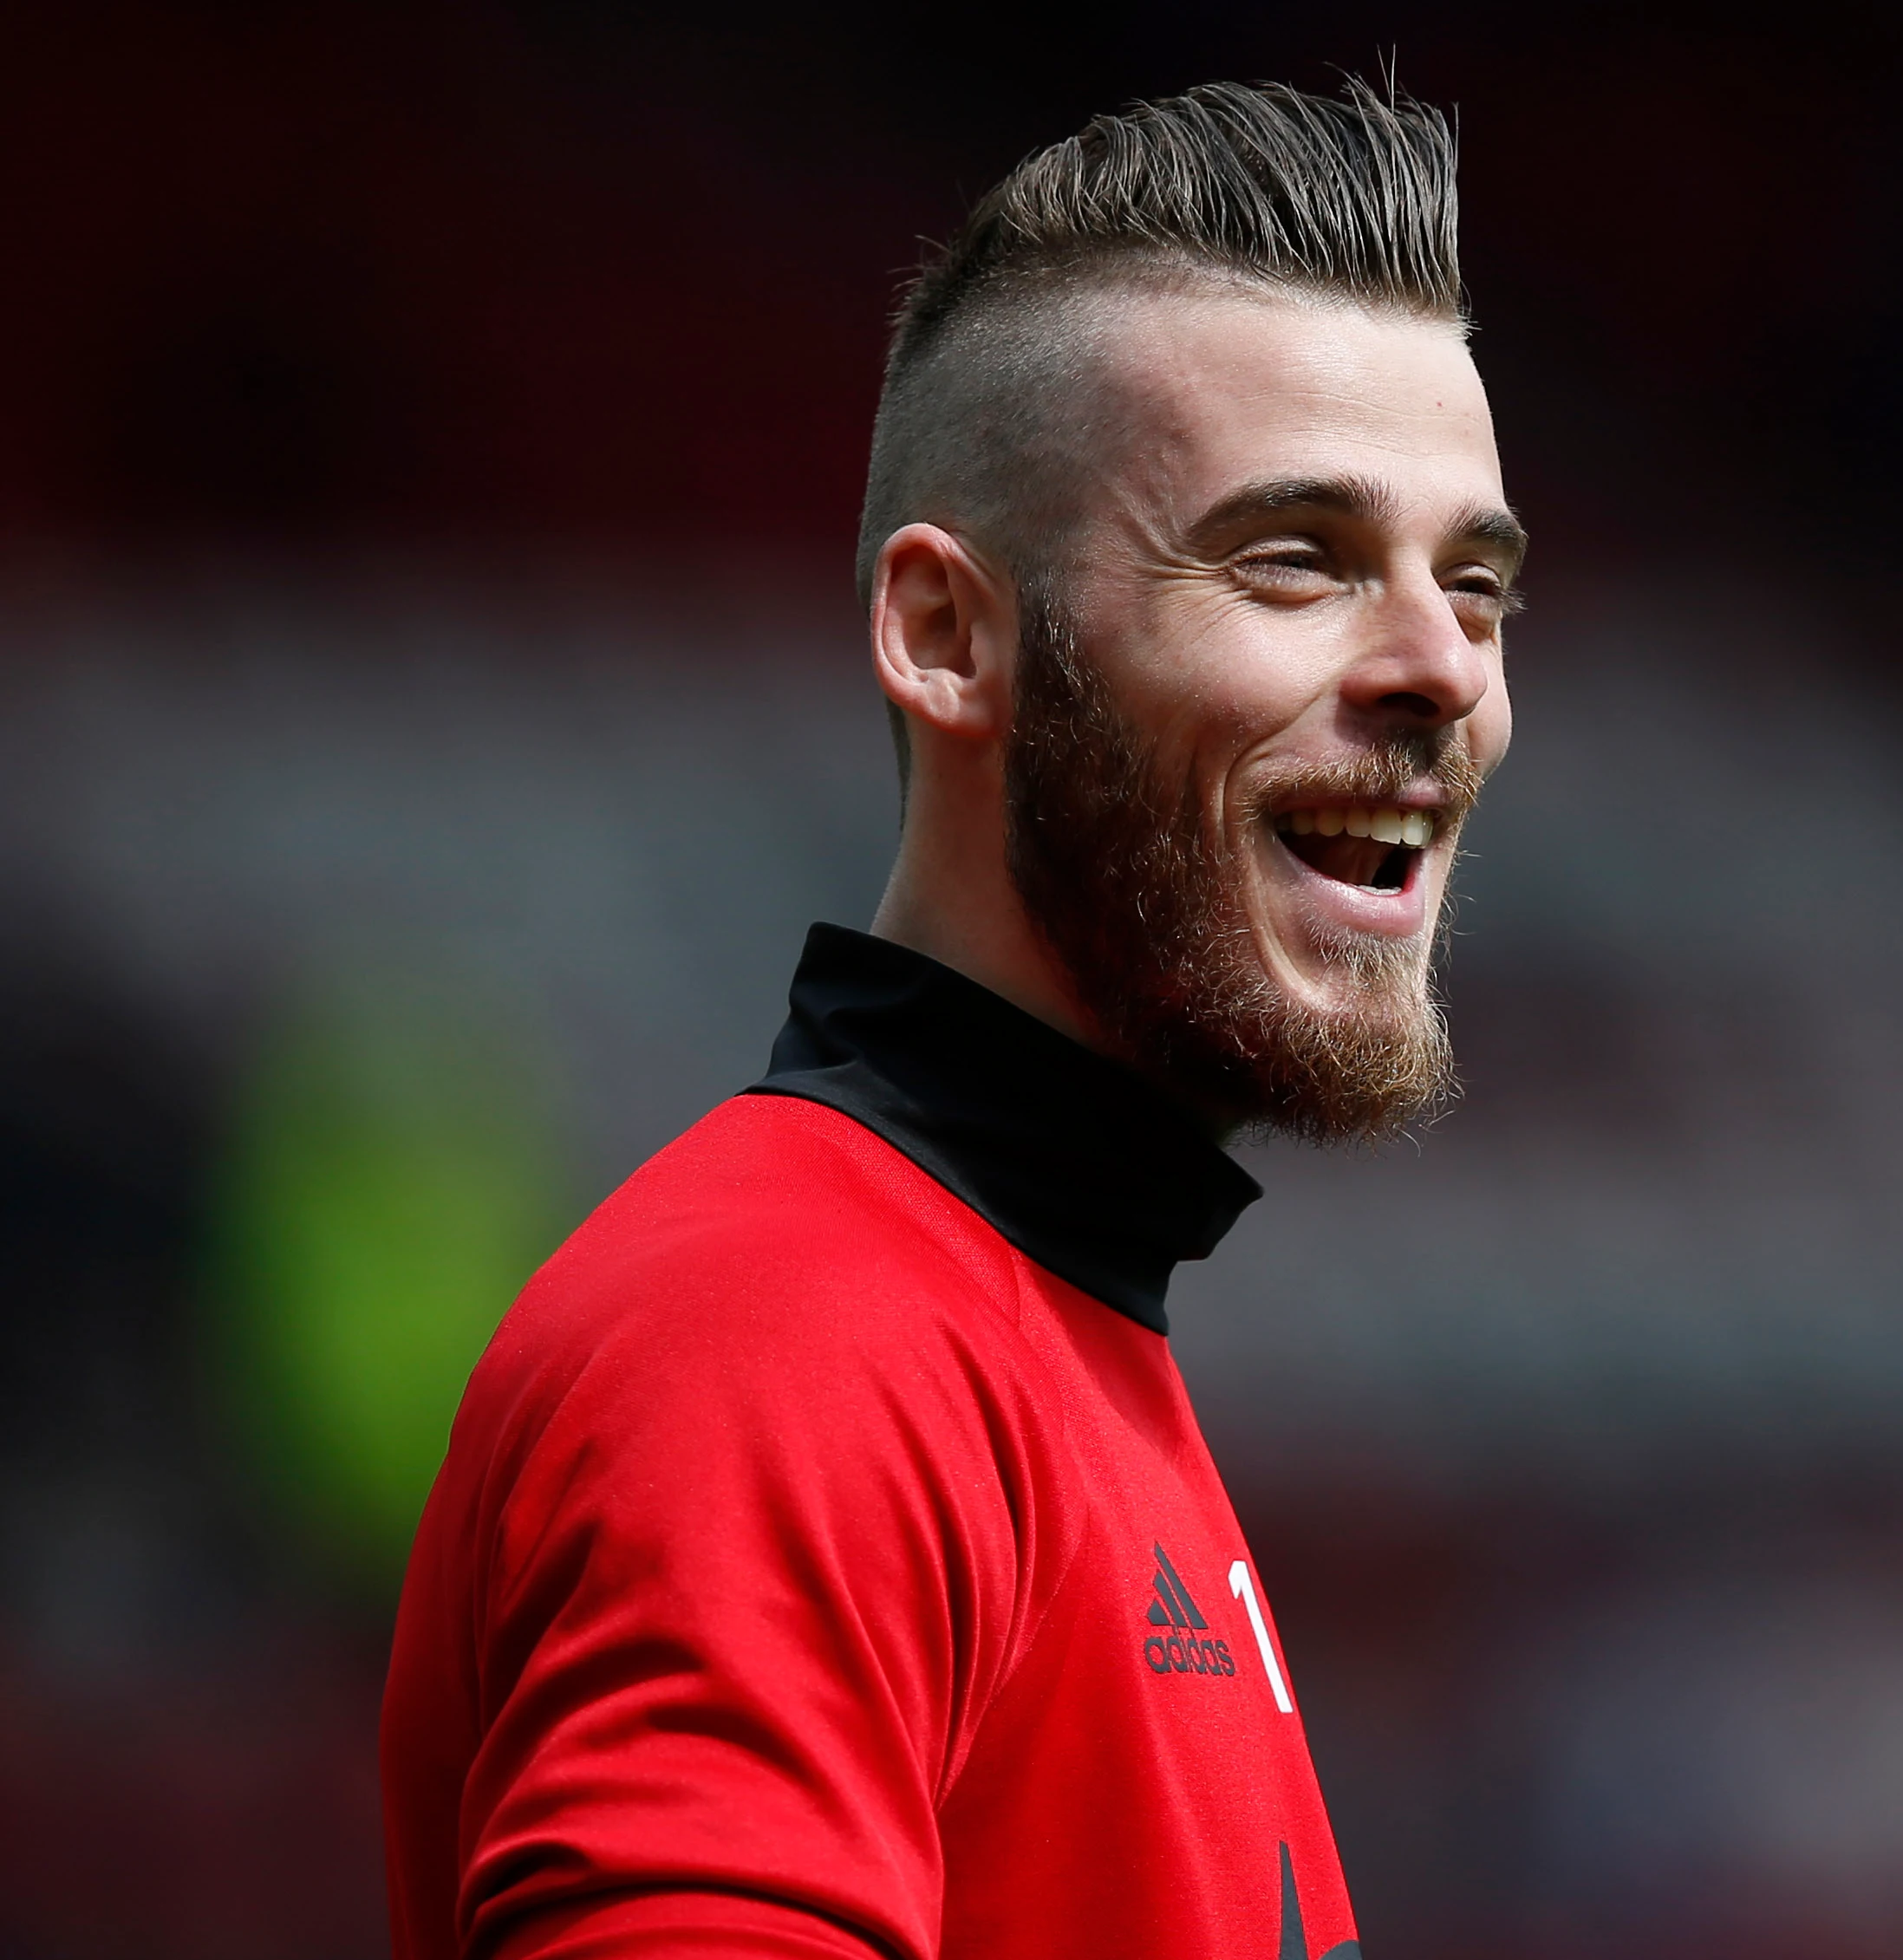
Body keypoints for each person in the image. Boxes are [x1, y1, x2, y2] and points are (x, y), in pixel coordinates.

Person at [381, 77, 1519, 1960]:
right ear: (947, 636)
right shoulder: (781, 1333)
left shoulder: (1028, 1320)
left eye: (1473, 586)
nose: (1439, 673)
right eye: (1297, 559)